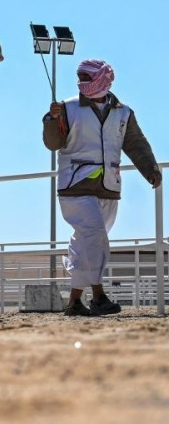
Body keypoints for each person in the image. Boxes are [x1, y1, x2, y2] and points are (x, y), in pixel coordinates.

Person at [43, 58, 162, 317]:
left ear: (104, 79)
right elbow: (53, 143)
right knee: (95, 236)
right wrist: (51, 120)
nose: (82, 82)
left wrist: (150, 169)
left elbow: (135, 144)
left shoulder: (124, 113)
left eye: (87, 77)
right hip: (75, 186)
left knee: (86, 243)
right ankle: (98, 296)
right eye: (80, 78)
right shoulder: (65, 108)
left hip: (109, 187)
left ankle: (74, 301)